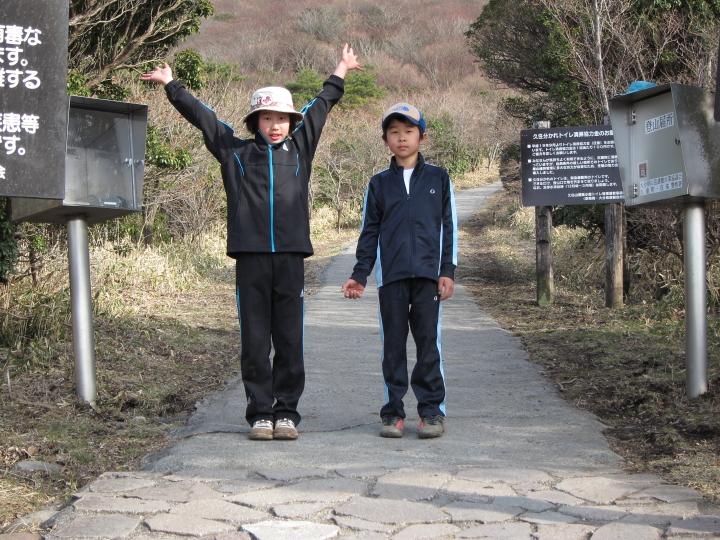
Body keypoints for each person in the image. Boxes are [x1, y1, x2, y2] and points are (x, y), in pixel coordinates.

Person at [142, 44, 362, 441]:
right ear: (255, 121)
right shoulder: (236, 153)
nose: (275, 125)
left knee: (290, 338)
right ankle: (260, 413)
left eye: (282, 118)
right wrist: (171, 85)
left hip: (291, 258)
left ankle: (287, 414)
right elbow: (204, 119)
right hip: (251, 259)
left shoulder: (300, 149)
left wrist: (342, 70)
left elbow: (321, 105)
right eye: (267, 118)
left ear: (290, 121)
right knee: (255, 338)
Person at [342, 102, 458, 439]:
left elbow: (448, 227)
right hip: (390, 278)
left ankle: (432, 412)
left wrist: (447, 270)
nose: (402, 138)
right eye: (394, 132)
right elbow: (370, 232)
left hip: (427, 277)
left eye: (408, 131)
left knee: (427, 345)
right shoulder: (378, 184)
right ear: (385, 140)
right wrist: (360, 273)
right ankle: (392, 413)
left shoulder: (439, 177)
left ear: (422, 136)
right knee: (392, 346)